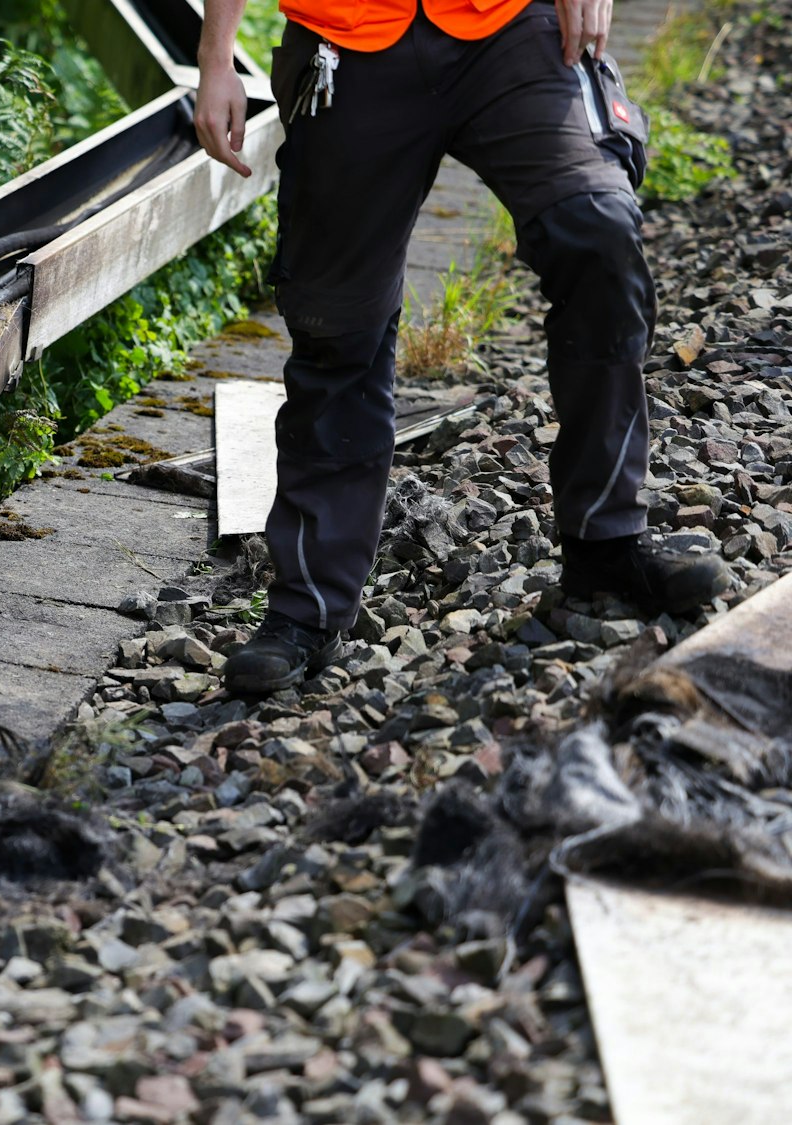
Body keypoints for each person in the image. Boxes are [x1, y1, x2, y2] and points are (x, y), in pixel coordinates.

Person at [192, 0, 730, 696]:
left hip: (506, 25)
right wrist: (215, 58)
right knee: (335, 327)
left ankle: (606, 540)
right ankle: (307, 611)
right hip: (348, 37)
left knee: (595, 228)